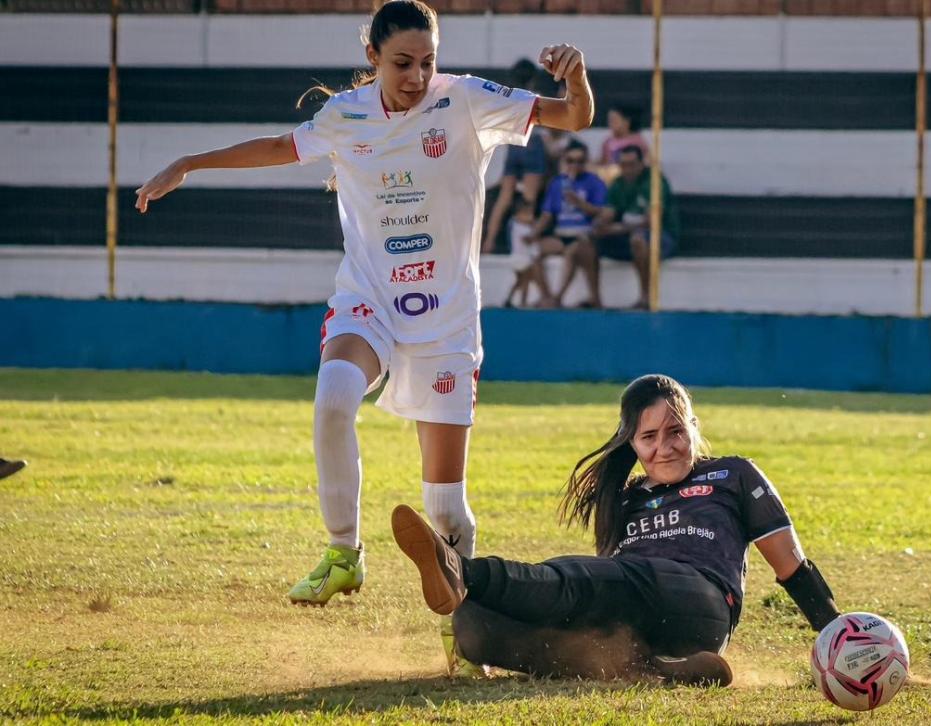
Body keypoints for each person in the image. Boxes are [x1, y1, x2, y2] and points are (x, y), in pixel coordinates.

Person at [134, 0, 594, 675]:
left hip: (446, 321)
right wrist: (189, 162)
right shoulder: (344, 116)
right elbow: (275, 148)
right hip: (370, 300)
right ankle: (343, 553)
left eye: (427, 62)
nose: (416, 75)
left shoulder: (466, 100)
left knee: (444, 505)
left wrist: (576, 79)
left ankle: (469, 636)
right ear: (373, 57)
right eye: (403, 63)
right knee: (332, 397)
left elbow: (571, 116)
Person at [392, 374, 841, 683]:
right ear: (633, 444)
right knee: (475, 626)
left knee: (586, 578)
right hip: (639, 615)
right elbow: (602, 590)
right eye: (649, 438)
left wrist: (839, 635)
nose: (665, 448)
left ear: (694, 428)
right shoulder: (626, 497)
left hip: (700, 601)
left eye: (676, 432)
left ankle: (463, 571)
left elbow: (791, 567)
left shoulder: (733, 473)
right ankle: (656, 671)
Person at [580, 144, 680, 309]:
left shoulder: (654, 182)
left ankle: (645, 297)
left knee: (638, 240)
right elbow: (609, 213)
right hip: (628, 236)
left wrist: (617, 228)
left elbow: (651, 220)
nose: (627, 169)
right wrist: (599, 225)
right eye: (623, 165)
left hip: (661, 237)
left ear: (641, 163)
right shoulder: (618, 183)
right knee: (585, 243)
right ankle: (595, 298)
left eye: (631, 165)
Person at [522, 139, 607, 307]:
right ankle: (546, 295)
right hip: (562, 234)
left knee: (571, 253)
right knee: (534, 250)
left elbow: (600, 212)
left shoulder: (594, 182)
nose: (574, 165)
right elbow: (547, 214)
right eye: (570, 161)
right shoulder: (557, 183)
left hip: (583, 236)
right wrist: (533, 234)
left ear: (586, 161)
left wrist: (579, 203)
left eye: (579, 161)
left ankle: (557, 297)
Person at [480, 59, 549, 255]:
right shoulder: (535, 98)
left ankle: (490, 240)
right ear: (533, 79)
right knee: (528, 199)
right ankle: (524, 248)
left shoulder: (508, 98)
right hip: (532, 145)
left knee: (505, 197)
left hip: (513, 147)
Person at [596, 104, 650, 181]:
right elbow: (602, 161)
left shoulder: (637, 141)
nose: (610, 124)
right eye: (609, 120)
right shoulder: (608, 141)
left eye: (614, 120)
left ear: (626, 122)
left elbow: (646, 162)